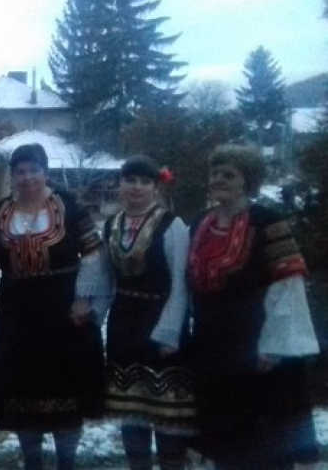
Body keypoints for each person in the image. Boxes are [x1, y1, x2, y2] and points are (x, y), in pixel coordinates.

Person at [186, 144, 319, 470]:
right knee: (221, 431)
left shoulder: (268, 222)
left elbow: (287, 285)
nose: (218, 180)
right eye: (215, 173)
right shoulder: (201, 222)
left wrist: (273, 346)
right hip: (211, 342)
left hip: (256, 343)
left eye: (229, 174)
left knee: (261, 436)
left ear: (249, 181)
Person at [0, 143, 109, 470]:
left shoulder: (67, 205)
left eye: (34, 170)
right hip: (17, 313)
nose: (27, 177)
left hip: (62, 310)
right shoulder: (1, 211)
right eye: (20, 171)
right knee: (23, 392)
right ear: (12, 176)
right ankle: (33, 463)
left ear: (45, 171)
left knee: (65, 389)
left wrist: (83, 298)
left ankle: (66, 463)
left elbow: (94, 253)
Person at [101, 156, 195, 470]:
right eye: (130, 180)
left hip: (160, 319)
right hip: (123, 322)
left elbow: (180, 282)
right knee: (131, 410)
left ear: (156, 187)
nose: (136, 187)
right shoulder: (112, 225)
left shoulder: (171, 225)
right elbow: (105, 278)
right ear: (120, 184)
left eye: (144, 182)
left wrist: (170, 332)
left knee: (166, 411)